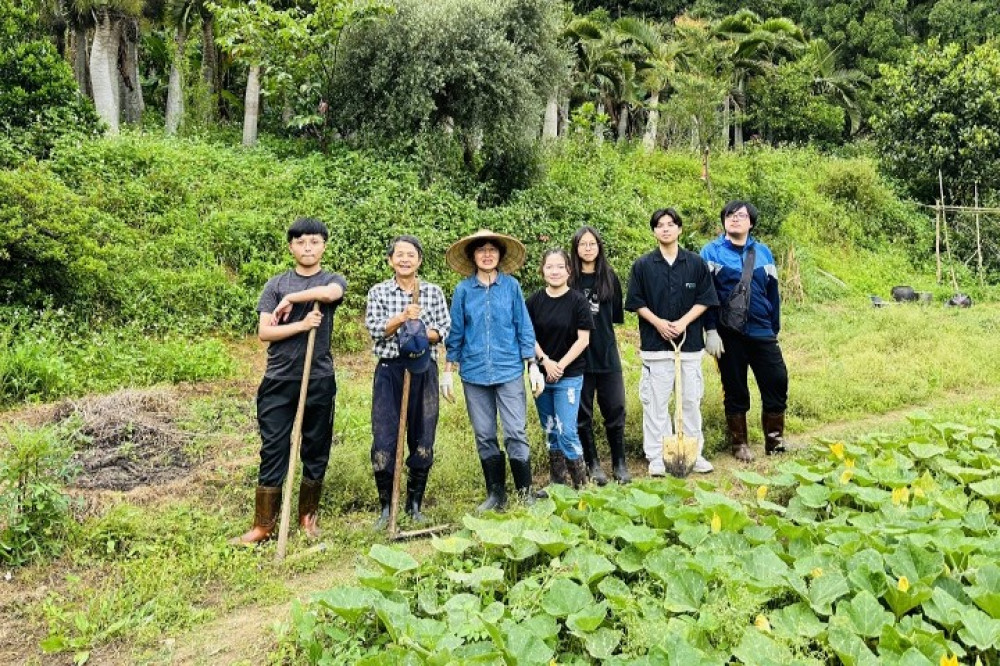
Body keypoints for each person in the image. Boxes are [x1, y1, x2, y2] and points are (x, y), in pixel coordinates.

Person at [231, 217, 347, 545]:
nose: (307, 248)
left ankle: (307, 519)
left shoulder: (332, 279)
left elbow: (330, 293)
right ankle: (263, 525)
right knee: (273, 447)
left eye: (314, 242)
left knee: (316, 447)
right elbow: (265, 332)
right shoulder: (276, 284)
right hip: (279, 377)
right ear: (291, 246)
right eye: (300, 242)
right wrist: (300, 325)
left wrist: (295, 300)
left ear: (323, 246)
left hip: (318, 377)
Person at [443, 229, 543, 511]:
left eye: (492, 249)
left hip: (509, 369)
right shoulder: (463, 290)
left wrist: (532, 365)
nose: (487, 254)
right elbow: (457, 331)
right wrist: (448, 370)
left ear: (500, 255)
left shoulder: (511, 287)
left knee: (515, 431)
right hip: (473, 372)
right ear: (473, 257)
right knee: (485, 434)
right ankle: (496, 494)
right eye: (481, 250)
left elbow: (524, 327)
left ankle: (526, 493)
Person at [365, 235, 451, 528]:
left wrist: (418, 331)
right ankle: (387, 507)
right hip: (390, 370)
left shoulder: (432, 292)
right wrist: (403, 319)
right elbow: (376, 329)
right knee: (384, 439)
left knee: (423, 436)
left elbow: (443, 330)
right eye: (399, 254)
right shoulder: (378, 292)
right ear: (390, 260)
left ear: (419, 260)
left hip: (423, 368)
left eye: (410, 255)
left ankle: (414, 504)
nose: (404, 259)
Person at [625, 208, 719, 476]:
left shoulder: (696, 263)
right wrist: (658, 323)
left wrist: (682, 323)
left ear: (679, 229)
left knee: (690, 400)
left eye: (670, 224)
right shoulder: (642, 265)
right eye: (660, 225)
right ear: (654, 231)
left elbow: (705, 299)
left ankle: (694, 453)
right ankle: (657, 456)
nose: (665, 229)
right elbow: (636, 302)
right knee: (656, 403)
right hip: (656, 346)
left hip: (689, 347)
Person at [700, 200, 788, 462]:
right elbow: (706, 295)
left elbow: (773, 292)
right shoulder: (711, 252)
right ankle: (739, 444)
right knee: (735, 387)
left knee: (776, 380)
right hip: (728, 333)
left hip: (762, 330)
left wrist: (773, 327)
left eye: (740, 215)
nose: (734, 219)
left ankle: (775, 441)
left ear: (751, 222)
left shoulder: (763, 253)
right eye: (729, 215)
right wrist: (711, 330)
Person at [526, 249, 594, 489]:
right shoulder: (533, 301)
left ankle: (581, 486)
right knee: (551, 430)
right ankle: (557, 484)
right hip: (541, 376)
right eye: (549, 267)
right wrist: (545, 361)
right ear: (542, 270)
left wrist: (560, 365)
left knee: (566, 430)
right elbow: (527, 336)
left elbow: (583, 340)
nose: (554, 271)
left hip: (570, 375)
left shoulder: (578, 301)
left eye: (559, 266)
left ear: (569, 270)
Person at [569, 226, 630, 484]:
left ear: (599, 247)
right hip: (578, 357)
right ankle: (593, 464)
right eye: (583, 244)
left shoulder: (609, 277)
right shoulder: (569, 280)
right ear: (576, 248)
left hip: (606, 353)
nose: (588, 248)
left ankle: (620, 463)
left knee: (615, 408)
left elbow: (615, 317)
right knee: (583, 415)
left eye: (592, 243)